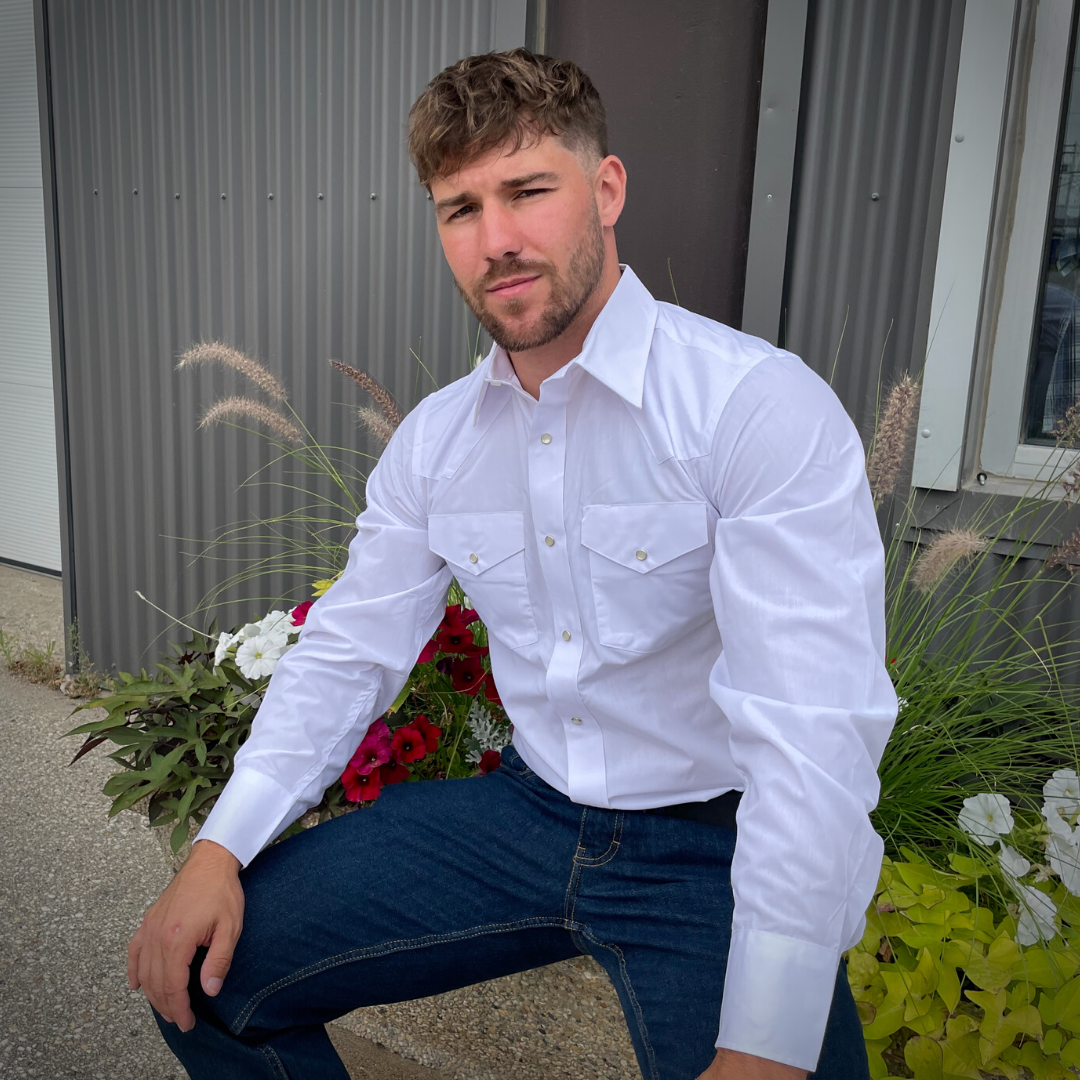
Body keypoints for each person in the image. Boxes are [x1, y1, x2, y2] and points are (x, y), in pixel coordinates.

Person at [131, 49, 897, 1080]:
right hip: (524, 816)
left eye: (528, 191)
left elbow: (812, 735)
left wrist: (764, 1048)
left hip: (708, 845)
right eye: (460, 208)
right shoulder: (440, 442)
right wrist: (218, 849)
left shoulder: (752, 406)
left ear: (607, 188)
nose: (497, 240)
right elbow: (351, 647)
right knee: (198, 977)